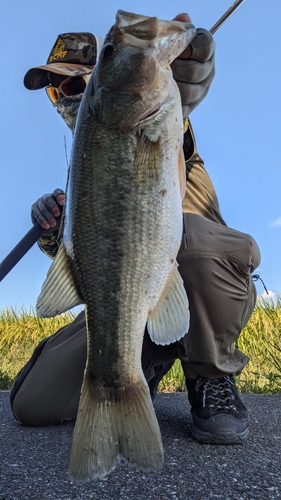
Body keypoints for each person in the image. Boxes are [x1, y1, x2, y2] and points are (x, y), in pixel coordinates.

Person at [10, 14, 261, 446]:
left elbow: (179, 111)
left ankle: (210, 375)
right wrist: (55, 231)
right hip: (126, 306)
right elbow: (89, 265)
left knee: (193, 238)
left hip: (195, 292)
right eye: (55, 90)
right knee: (33, 405)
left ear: (98, 81)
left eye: (74, 85)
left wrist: (182, 82)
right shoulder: (83, 167)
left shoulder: (162, 122)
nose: (63, 98)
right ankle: (143, 364)